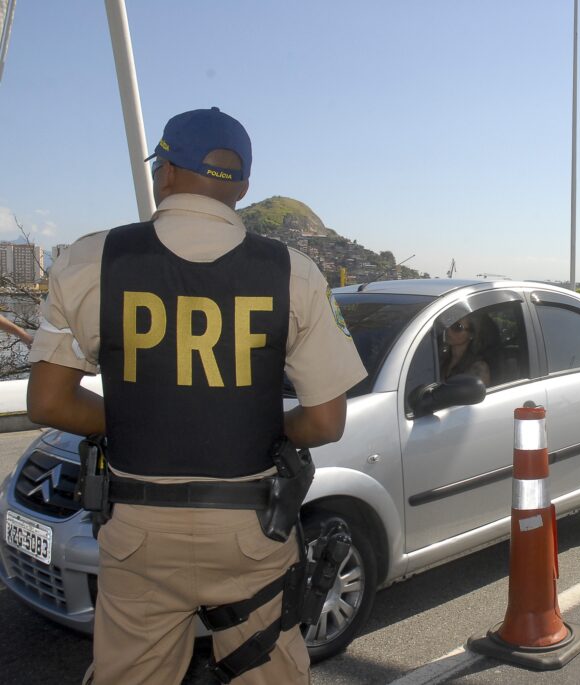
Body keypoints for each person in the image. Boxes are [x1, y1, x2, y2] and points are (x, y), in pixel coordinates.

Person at [26, 107, 366, 685]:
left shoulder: (89, 260)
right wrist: (271, 429)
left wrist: (135, 417)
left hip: (138, 529)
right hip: (253, 528)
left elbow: (50, 404)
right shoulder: (295, 273)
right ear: (244, 187)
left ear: (164, 172)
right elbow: (326, 419)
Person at [440, 315, 491, 385]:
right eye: (448, 324)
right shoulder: (441, 358)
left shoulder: (478, 367)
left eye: (457, 327)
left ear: (471, 334)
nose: (448, 330)